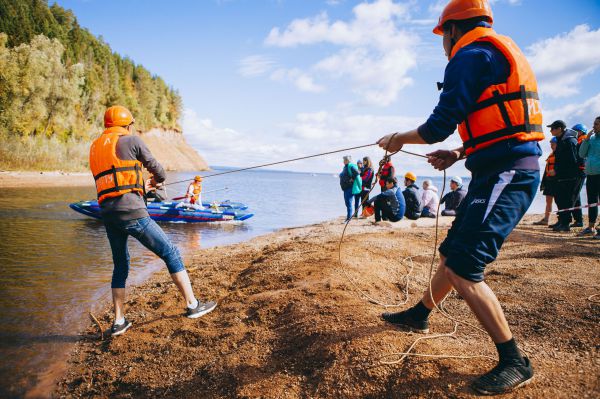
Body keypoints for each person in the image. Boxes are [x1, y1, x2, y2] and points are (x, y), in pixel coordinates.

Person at [376, 0, 544, 394]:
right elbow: (503, 125)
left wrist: (399, 138)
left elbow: (438, 125)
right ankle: (420, 314)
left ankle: (514, 360)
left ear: (453, 29)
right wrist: (459, 152)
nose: (442, 44)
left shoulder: (470, 55)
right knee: (452, 255)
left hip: (509, 174)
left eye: (442, 36)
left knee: (465, 267)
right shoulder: (491, 51)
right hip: (495, 169)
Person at [89, 105, 217, 336]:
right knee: (171, 253)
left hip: (108, 214)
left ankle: (118, 322)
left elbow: (114, 179)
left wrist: (141, 186)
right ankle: (192, 305)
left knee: (121, 265)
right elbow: (160, 171)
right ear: (127, 124)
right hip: (132, 212)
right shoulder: (131, 140)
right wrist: (156, 181)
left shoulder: (96, 147)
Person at [550, 120, 585, 232]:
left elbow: (572, 160)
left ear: (560, 128)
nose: (551, 130)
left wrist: (557, 170)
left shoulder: (569, 141)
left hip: (572, 175)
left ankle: (565, 224)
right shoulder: (562, 140)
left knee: (569, 199)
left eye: (553, 128)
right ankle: (562, 221)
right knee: (561, 198)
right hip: (564, 175)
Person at [578, 116, 600, 238]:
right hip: (591, 175)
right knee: (592, 202)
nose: (593, 126)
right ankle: (591, 227)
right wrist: (586, 140)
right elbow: (581, 154)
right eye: (594, 124)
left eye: (596, 124)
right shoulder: (591, 139)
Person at [534, 137, 557, 225]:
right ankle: (546, 219)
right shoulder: (551, 154)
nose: (551, 145)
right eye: (551, 143)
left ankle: (562, 220)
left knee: (559, 201)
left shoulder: (560, 154)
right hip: (549, 180)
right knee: (548, 200)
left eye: (553, 144)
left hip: (556, 180)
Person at [571, 123, 588, 227]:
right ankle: (578, 220)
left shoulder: (583, 141)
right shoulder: (579, 141)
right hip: (579, 170)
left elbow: (581, 157)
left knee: (574, 195)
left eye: (575, 131)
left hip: (580, 171)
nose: (574, 133)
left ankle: (578, 220)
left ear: (581, 131)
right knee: (576, 195)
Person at [339, 155, 362, 221]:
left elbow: (357, 175)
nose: (343, 161)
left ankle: (349, 218)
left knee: (348, 203)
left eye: (344, 160)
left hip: (350, 188)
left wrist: (360, 187)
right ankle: (348, 216)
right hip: (345, 188)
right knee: (347, 203)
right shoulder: (345, 167)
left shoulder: (351, 166)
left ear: (347, 160)